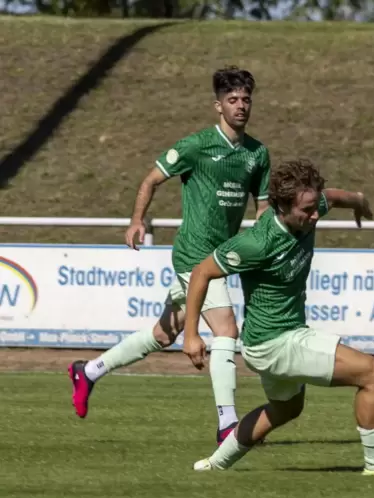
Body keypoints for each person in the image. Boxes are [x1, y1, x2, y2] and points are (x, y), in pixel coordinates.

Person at [67, 66, 271, 446]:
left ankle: (89, 371)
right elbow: (150, 180)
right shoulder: (196, 146)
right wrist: (136, 221)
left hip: (223, 258)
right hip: (194, 256)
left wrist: (261, 244)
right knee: (226, 329)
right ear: (218, 106)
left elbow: (262, 208)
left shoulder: (257, 153)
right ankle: (228, 424)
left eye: (246, 99)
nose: (240, 106)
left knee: (165, 333)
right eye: (232, 100)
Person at [182, 158, 374, 476]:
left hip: (271, 339)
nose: (315, 214)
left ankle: (215, 464)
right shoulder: (256, 243)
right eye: (307, 210)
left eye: (314, 206)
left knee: (286, 408)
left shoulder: (310, 206)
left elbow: (330, 197)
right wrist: (191, 334)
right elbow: (201, 272)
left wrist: (358, 200)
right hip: (274, 341)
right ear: (282, 206)